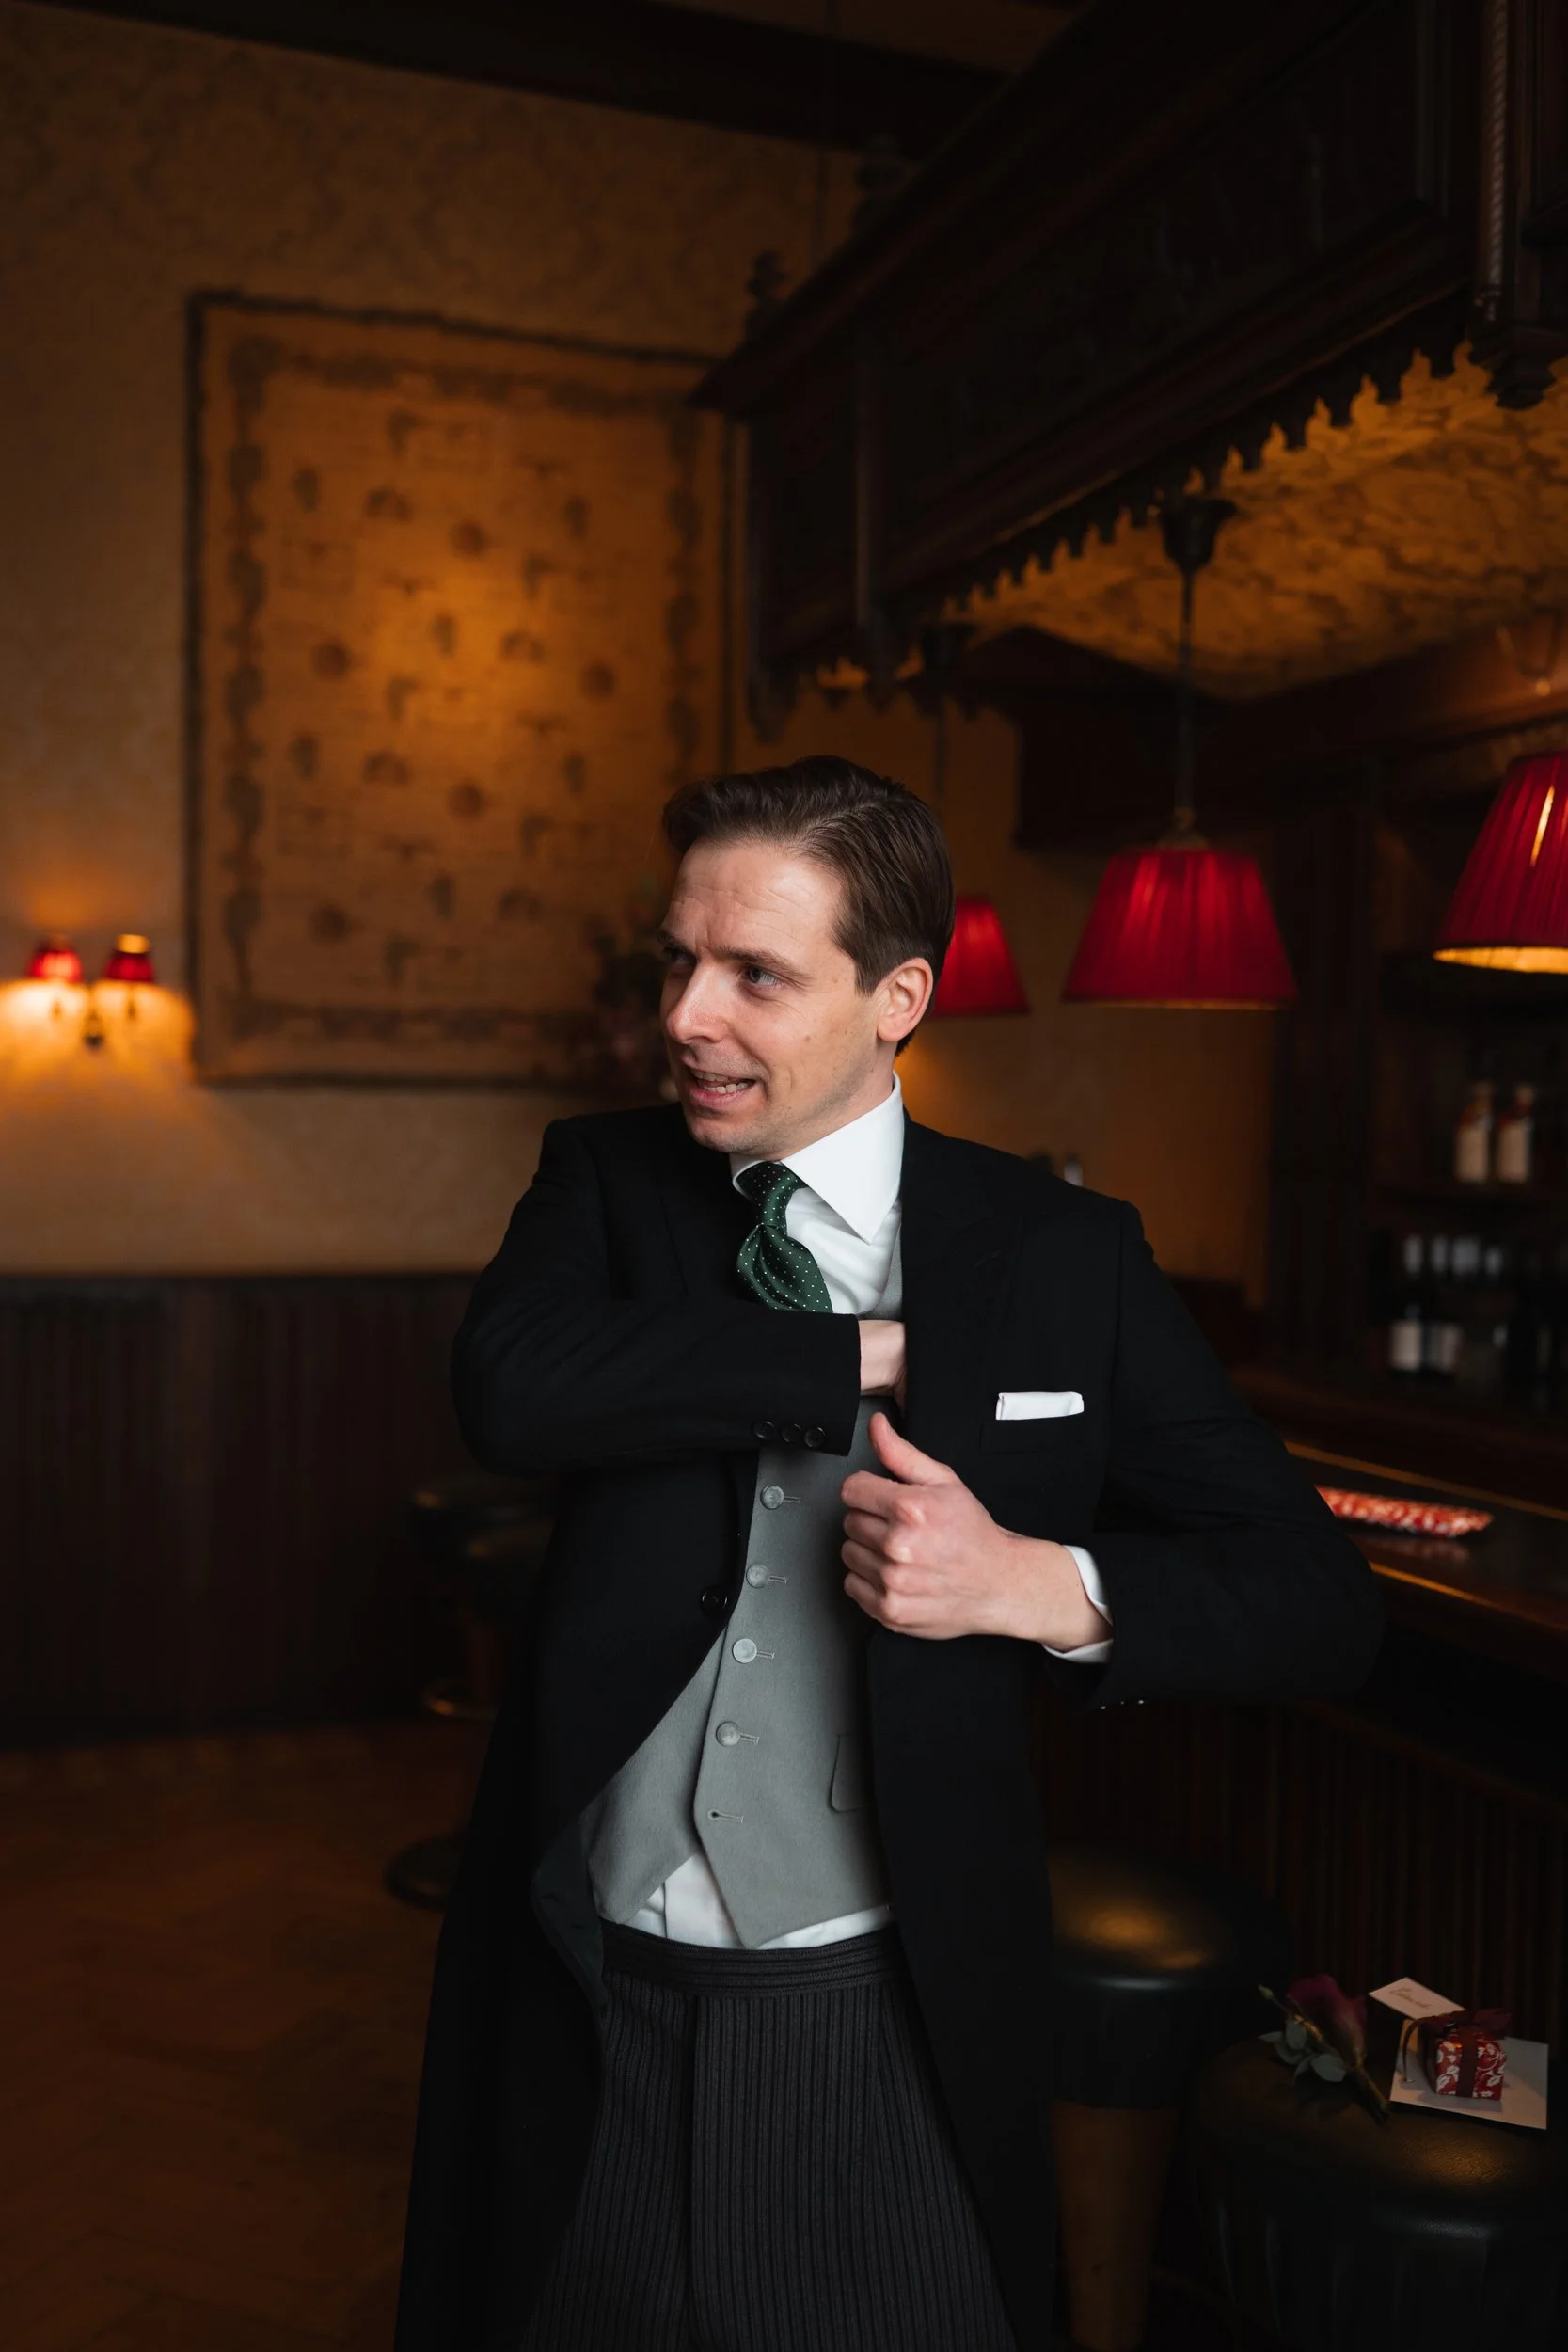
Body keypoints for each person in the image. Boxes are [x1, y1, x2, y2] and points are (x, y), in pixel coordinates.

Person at [393, 755, 1382, 2352]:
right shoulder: (607, 1181)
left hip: (882, 1997)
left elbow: (1314, 1603)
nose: (688, 1016)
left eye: (755, 976)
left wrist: (1033, 1589)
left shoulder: (1067, 1256)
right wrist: (855, 1355)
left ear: (896, 996)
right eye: (679, 962)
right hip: (587, 1974)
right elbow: (511, 1386)